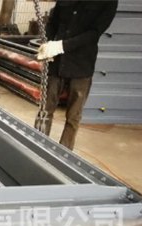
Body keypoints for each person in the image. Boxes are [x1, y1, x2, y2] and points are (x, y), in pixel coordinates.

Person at [36, 0, 118, 149]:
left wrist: (62, 46)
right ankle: (37, 146)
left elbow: (94, 33)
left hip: (82, 65)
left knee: (73, 117)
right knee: (45, 110)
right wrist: (47, 43)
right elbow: (53, 23)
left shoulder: (108, 2)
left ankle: (64, 154)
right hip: (57, 62)